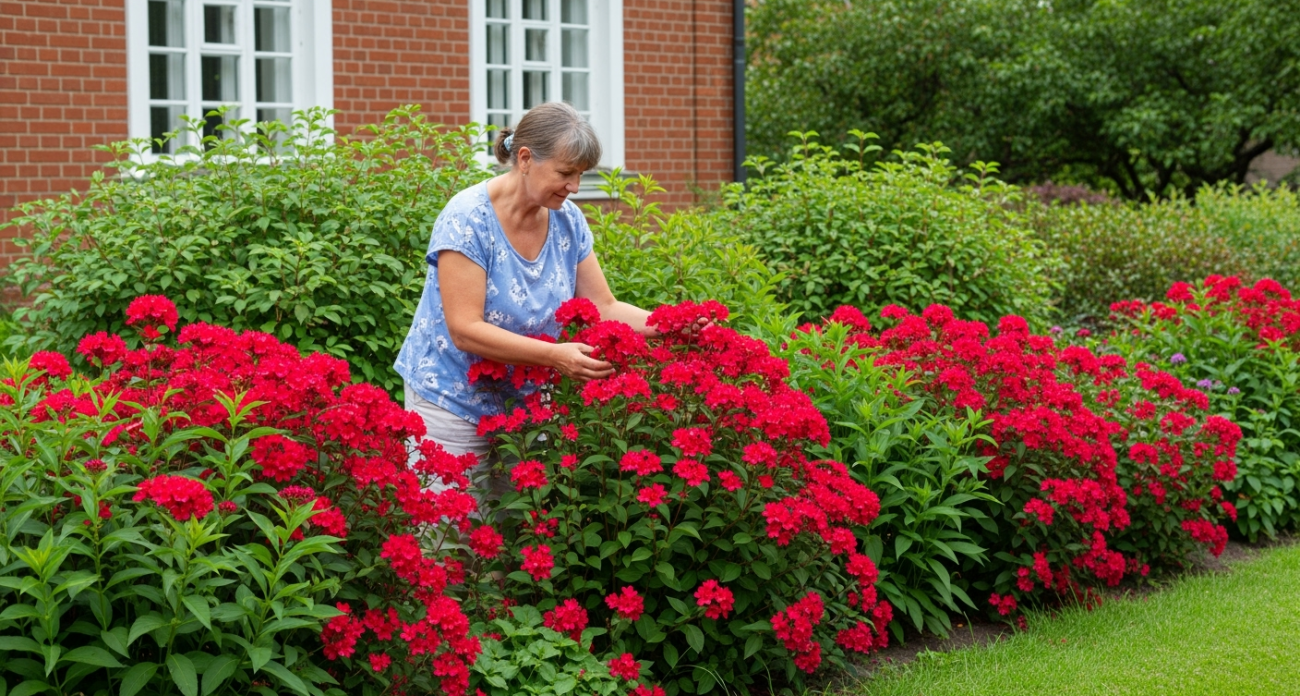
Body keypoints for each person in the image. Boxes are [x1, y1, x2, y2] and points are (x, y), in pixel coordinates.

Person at [394, 102, 654, 475]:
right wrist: (555, 357)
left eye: (581, 175)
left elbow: (604, 305)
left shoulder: (568, 219)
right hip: (451, 401)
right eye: (566, 173)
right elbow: (465, 329)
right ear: (526, 158)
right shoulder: (468, 218)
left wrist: (672, 324)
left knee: (518, 528)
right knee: (450, 532)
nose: (575, 187)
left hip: (524, 408)